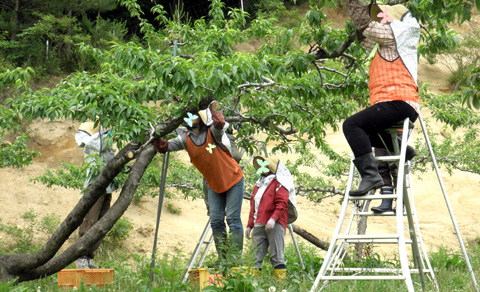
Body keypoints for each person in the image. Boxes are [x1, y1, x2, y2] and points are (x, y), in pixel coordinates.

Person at [343, 0, 421, 196]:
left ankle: (370, 176)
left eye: (385, 17)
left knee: (351, 125)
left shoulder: (395, 36)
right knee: (364, 134)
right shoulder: (388, 42)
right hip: (397, 102)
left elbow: (365, 27)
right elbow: (364, 37)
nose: (381, 20)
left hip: (399, 100)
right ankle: (404, 149)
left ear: (396, 21)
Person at [152, 102, 244, 266]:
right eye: (187, 116)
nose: (190, 118)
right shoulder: (184, 139)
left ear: (200, 118)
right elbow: (164, 147)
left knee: (232, 219)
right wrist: (154, 135)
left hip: (233, 179)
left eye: (193, 115)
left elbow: (220, 123)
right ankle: (223, 260)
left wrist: (213, 105)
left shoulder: (213, 132)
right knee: (216, 221)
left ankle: (234, 261)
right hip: (214, 185)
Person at [74, 121, 118, 269]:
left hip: (109, 186)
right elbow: (85, 142)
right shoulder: (92, 128)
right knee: (90, 221)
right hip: (95, 183)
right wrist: (106, 133)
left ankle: (89, 257)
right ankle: (81, 256)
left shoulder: (113, 132)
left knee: (102, 224)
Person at [245, 155, 296, 281]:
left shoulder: (280, 183)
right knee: (254, 257)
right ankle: (253, 285)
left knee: (277, 256)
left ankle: (280, 286)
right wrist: (249, 225)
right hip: (259, 224)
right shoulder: (259, 184)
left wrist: (273, 218)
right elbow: (254, 206)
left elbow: (282, 202)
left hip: (275, 224)